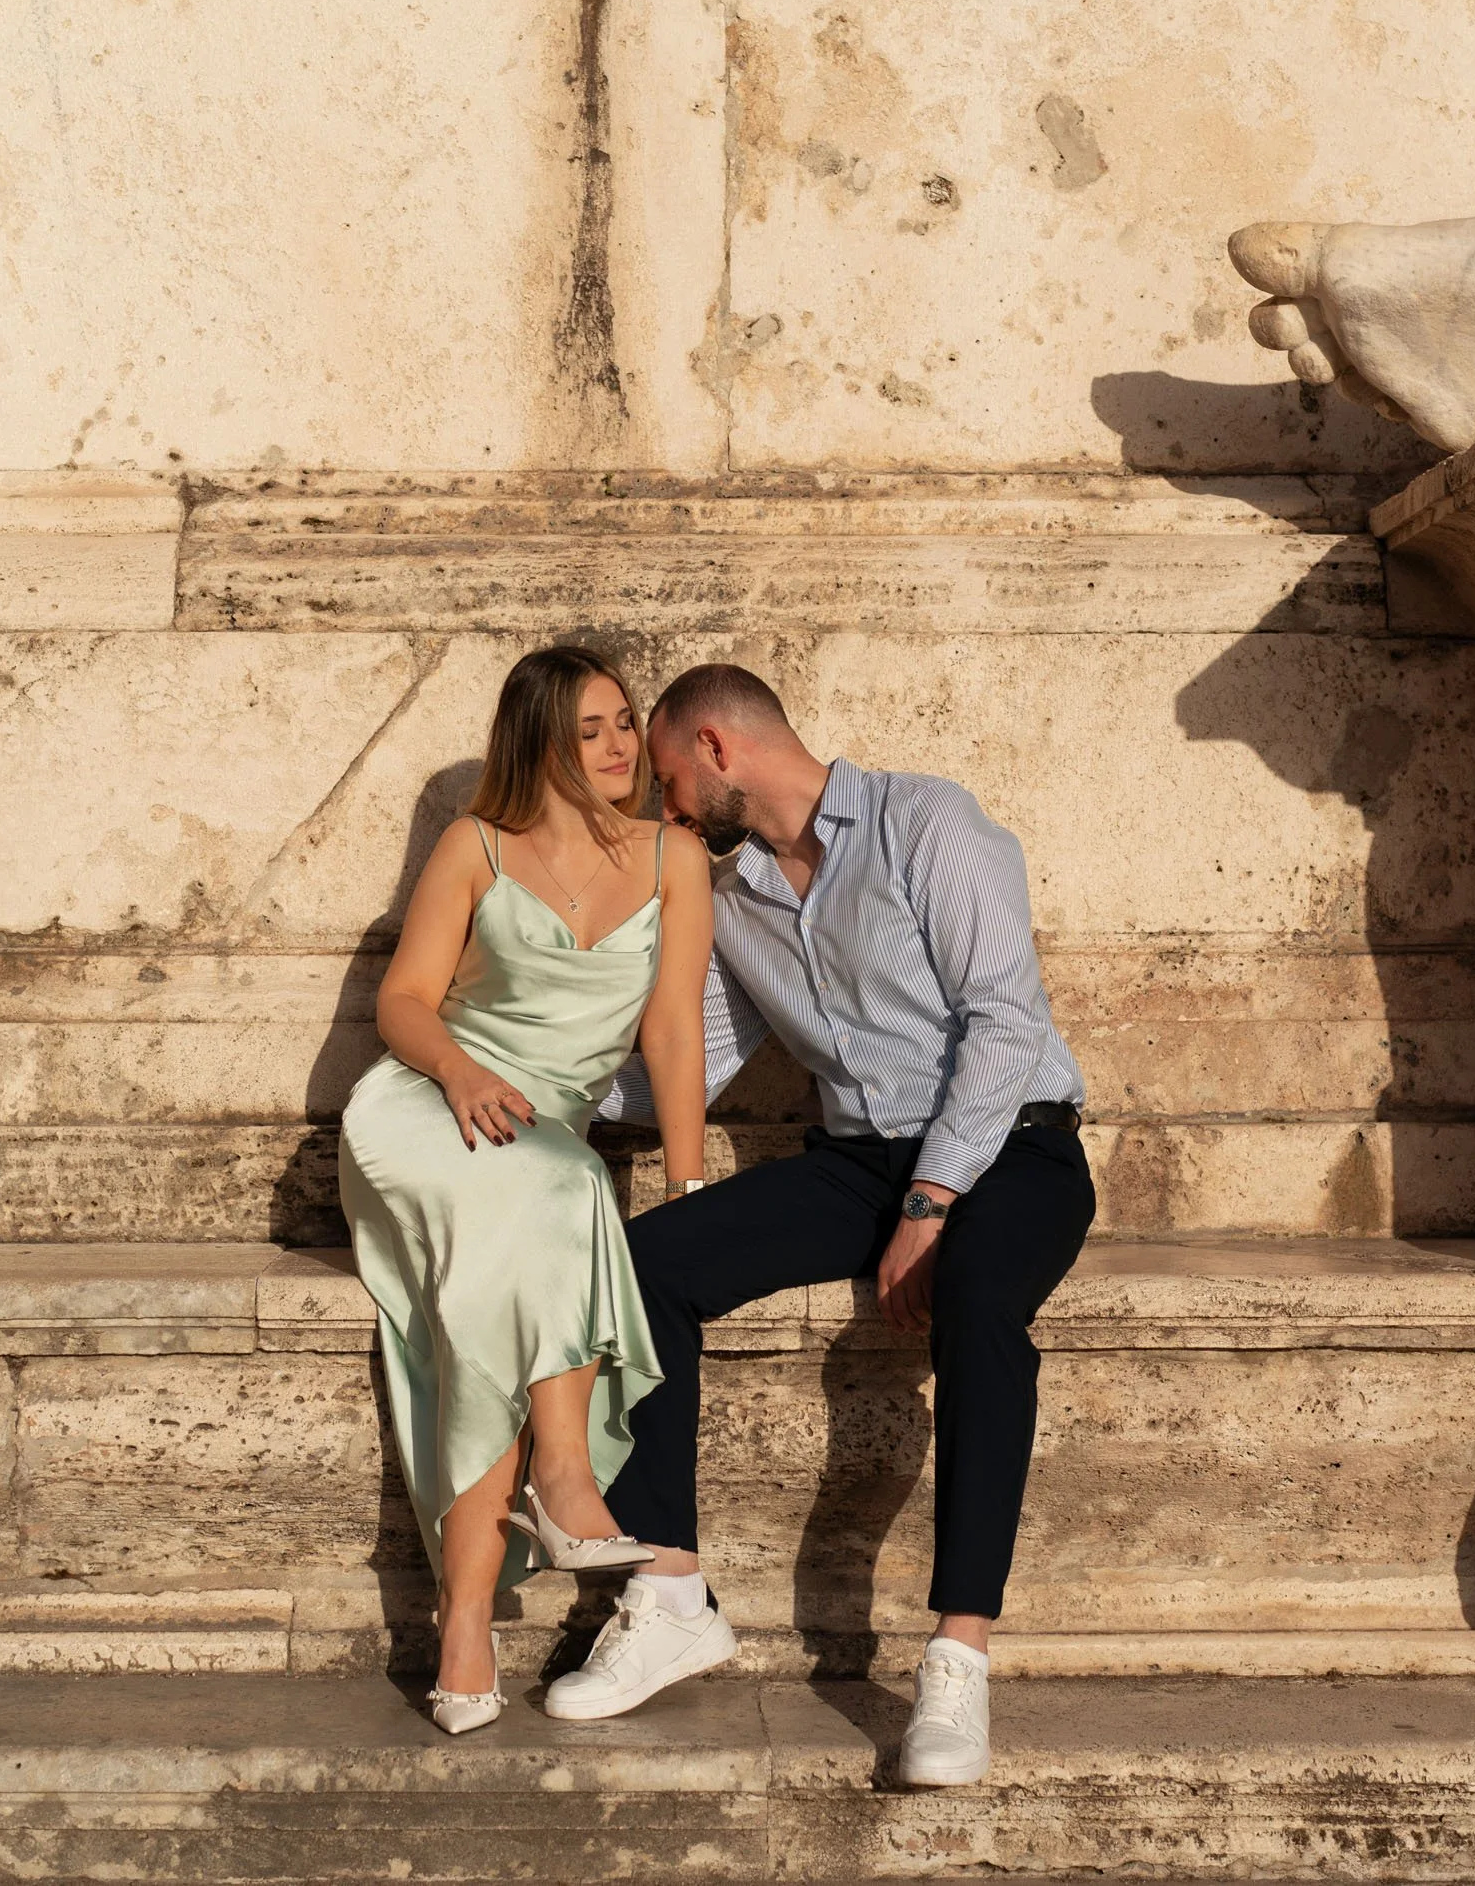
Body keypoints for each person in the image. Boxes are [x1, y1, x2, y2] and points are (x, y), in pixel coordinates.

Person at [544, 663, 1093, 1787]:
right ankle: (669, 1592)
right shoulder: (735, 898)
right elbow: (671, 1073)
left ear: (714, 747)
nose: (665, 812)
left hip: (1010, 1141)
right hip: (855, 1162)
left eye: (665, 782)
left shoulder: (923, 821)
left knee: (981, 1300)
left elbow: (1001, 1020)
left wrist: (931, 1203)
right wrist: (511, 1073)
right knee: (647, 1264)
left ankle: (956, 1657)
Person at [339, 646, 712, 1734]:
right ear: (538, 740)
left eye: (623, 721)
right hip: (426, 1107)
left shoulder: (672, 859)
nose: (616, 746)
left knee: (508, 1287)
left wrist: (686, 1181)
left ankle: (465, 1626)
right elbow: (403, 1003)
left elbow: (673, 1027)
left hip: (541, 1141)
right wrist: (458, 1069)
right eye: (589, 726)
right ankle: (562, 1473)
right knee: (563, 1181)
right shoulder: (475, 845)